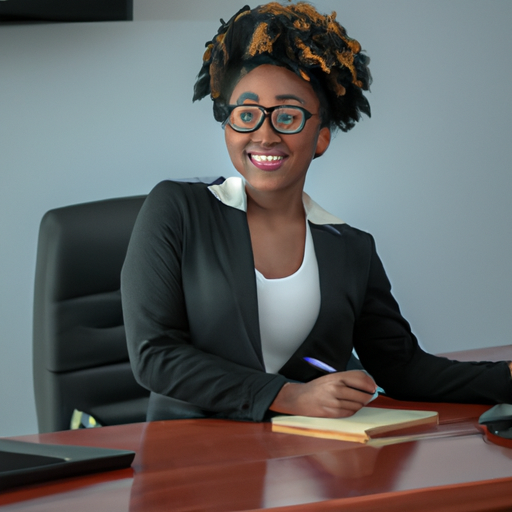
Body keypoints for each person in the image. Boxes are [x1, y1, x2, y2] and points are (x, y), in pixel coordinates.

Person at [121, 2, 512, 422]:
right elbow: (154, 355)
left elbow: (404, 369)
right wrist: (290, 396)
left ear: (321, 138)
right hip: (192, 461)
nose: (265, 134)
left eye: (287, 116)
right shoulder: (177, 210)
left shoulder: (351, 249)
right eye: (247, 115)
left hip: (307, 462)